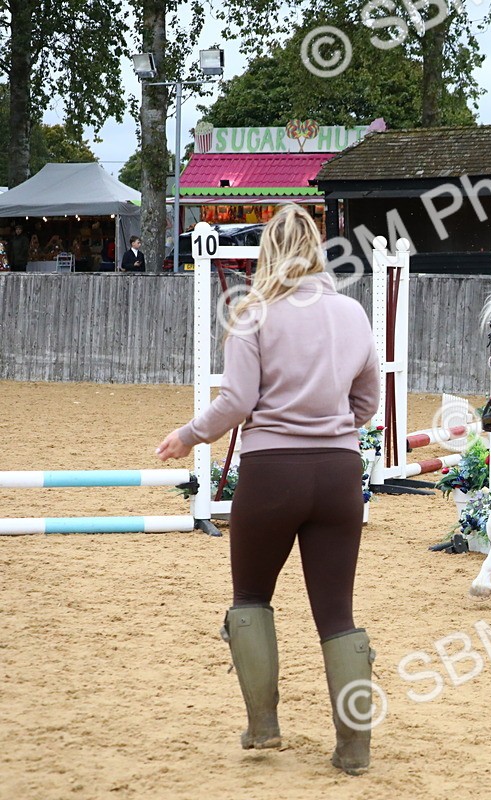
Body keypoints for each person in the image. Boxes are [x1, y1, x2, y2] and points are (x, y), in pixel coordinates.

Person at [155, 204, 380, 775]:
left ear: (268, 251)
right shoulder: (353, 312)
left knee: (252, 598)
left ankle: (263, 726)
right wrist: (334, 426)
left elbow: (236, 403)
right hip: (337, 473)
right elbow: (368, 400)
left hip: (271, 472)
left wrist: (187, 436)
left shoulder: (251, 314)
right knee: (337, 615)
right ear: (318, 246)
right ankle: (354, 746)